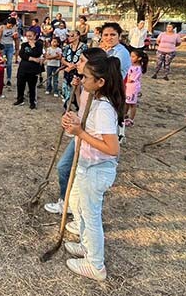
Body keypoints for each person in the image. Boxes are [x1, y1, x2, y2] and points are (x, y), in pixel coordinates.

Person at [61, 56, 125, 281]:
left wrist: (80, 133)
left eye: (87, 77)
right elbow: (85, 131)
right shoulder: (94, 101)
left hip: (97, 168)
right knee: (78, 207)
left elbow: (112, 148)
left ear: (100, 82)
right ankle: (87, 246)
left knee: (90, 215)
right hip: (87, 163)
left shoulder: (104, 108)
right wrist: (73, 126)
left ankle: (96, 265)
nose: (82, 78)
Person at [44, 47, 107, 216]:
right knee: (67, 169)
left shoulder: (100, 92)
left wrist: (79, 129)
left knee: (66, 168)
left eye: (81, 61)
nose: (77, 64)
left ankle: (71, 206)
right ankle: (69, 204)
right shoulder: (87, 84)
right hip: (81, 134)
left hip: (89, 138)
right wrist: (78, 90)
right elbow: (82, 107)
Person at [14, 28, 44, 109]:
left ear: (35, 36)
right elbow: (22, 55)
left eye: (30, 36)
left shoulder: (39, 44)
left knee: (32, 87)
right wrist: (33, 59)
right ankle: (20, 99)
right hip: (23, 68)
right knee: (20, 85)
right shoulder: (24, 45)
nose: (28, 38)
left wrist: (33, 46)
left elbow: (37, 53)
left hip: (33, 70)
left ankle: (32, 102)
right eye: (27, 36)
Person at [61, 30, 88, 105]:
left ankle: (79, 107)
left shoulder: (84, 46)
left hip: (78, 72)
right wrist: (68, 64)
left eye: (72, 35)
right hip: (68, 71)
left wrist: (74, 66)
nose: (69, 37)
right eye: (68, 36)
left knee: (77, 92)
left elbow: (85, 60)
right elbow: (62, 58)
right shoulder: (67, 47)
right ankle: (68, 107)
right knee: (67, 91)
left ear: (78, 36)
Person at [124, 48, 148, 126]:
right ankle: (124, 115)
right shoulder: (131, 66)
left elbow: (131, 79)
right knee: (126, 102)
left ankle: (131, 119)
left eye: (133, 56)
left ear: (139, 58)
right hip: (128, 87)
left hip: (132, 88)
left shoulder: (137, 68)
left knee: (132, 104)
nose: (131, 58)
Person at [0, 17, 20, 86]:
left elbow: (16, 39)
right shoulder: (2, 27)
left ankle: (8, 79)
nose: (11, 26)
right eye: (10, 25)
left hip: (10, 46)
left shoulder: (14, 28)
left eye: (12, 25)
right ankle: (1, 79)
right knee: (2, 62)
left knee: (9, 63)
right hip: (3, 46)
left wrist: (16, 46)